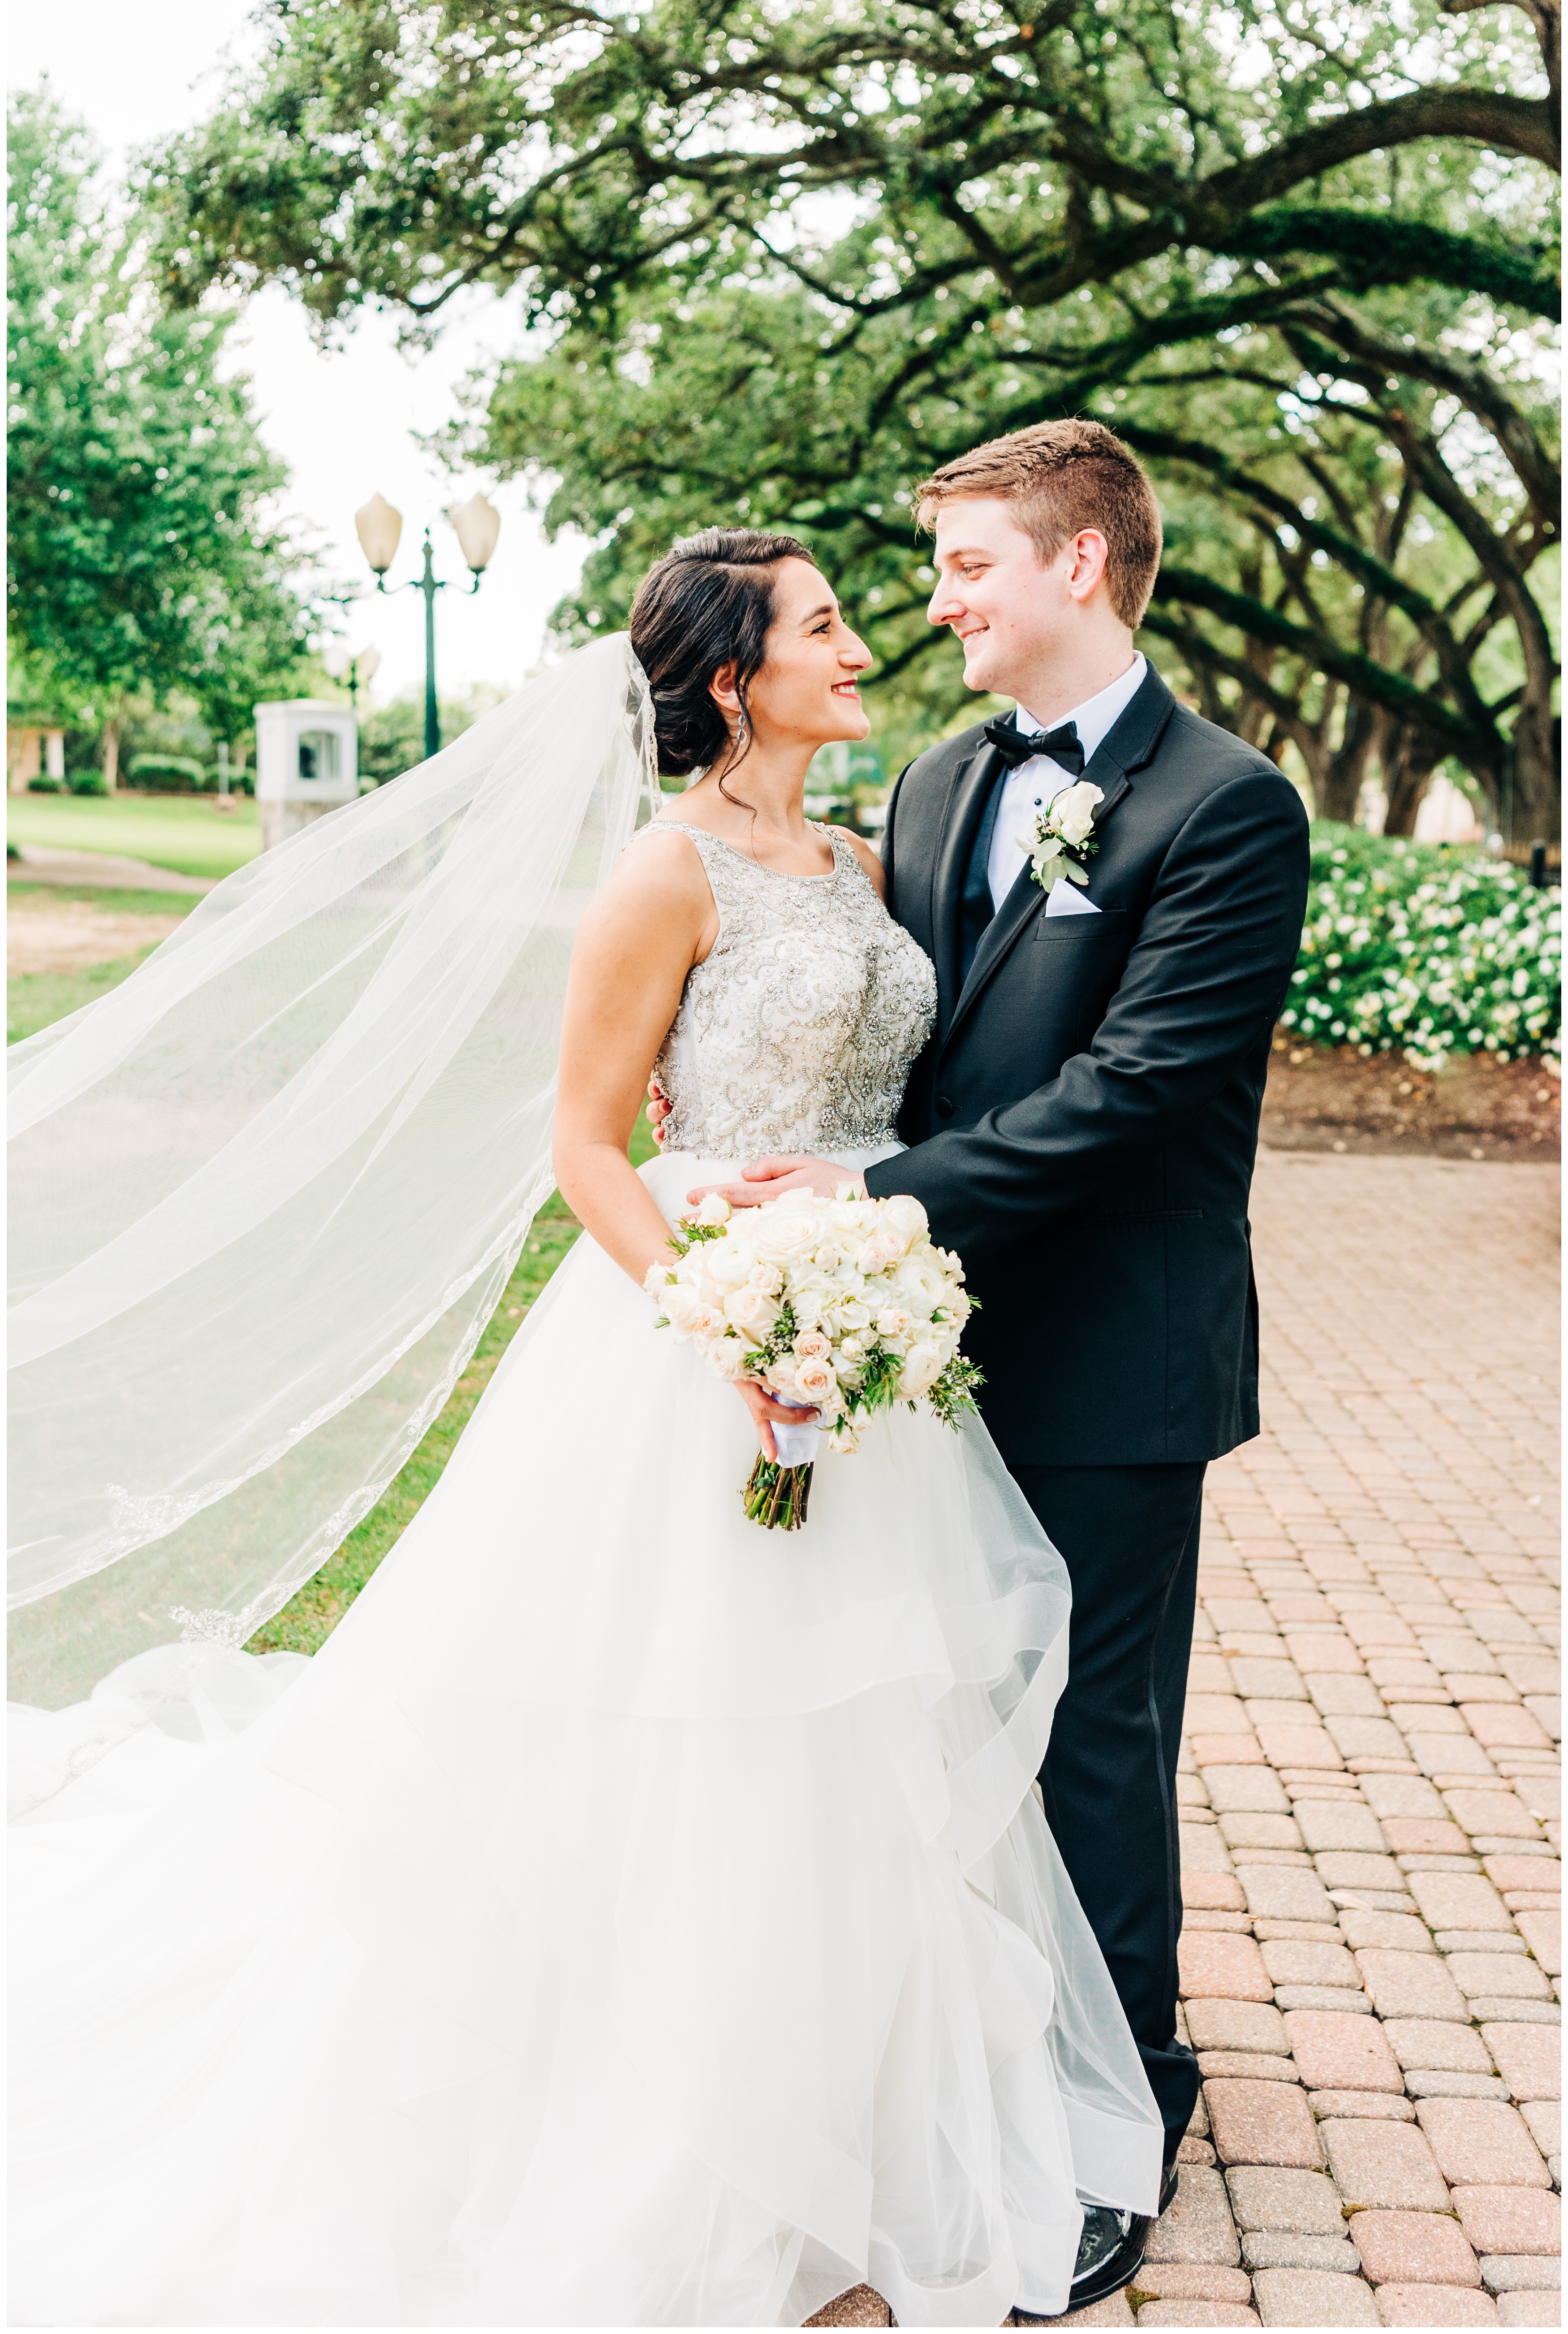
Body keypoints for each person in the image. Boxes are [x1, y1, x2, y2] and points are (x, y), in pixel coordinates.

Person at [9, 529, 1163, 2327]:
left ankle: (845, 2108)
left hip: (868, 1351)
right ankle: (660, 2122)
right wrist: (715, 1320)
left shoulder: (870, 857)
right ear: (732, 678)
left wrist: (853, 1274)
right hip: (701, 1345)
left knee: (862, 1736)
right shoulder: (660, 873)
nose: (861, 645)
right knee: (692, 1726)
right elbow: (585, 1142)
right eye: (823, 625)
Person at [682, 423, 1312, 2306]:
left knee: (1087, 1743)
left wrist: (874, 1192)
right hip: (920, 1353)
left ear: (1077, 569)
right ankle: (955, 2066)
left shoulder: (1225, 806)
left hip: (1114, 1353)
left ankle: (1122, 2112)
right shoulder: (949, 780)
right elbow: (901, 1034)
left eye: (965, 566)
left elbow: (1129, 1098)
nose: (933, 602)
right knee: (934, 1718)